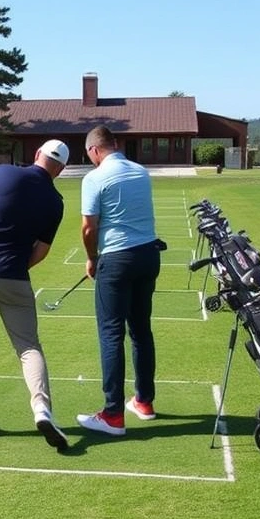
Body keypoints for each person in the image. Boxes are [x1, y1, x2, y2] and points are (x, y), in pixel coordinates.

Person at [0, 139, 72, 450]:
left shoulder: (4, 172)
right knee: (28, 347)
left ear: (37, 155)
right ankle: (41, 408)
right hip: (13, 276)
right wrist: (18, 266)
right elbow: (42, 250)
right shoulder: (55, 201)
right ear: (60, 170)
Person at [76, 125, 161, 436]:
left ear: (95, 150)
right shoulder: (140, 171)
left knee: (111, 333)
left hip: (117, 259)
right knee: (140, 330)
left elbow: (89, 229)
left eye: (90, 156)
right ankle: (144, 401)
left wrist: (92, 258)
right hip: (148, 255)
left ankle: (112, 414)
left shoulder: (95, 178)